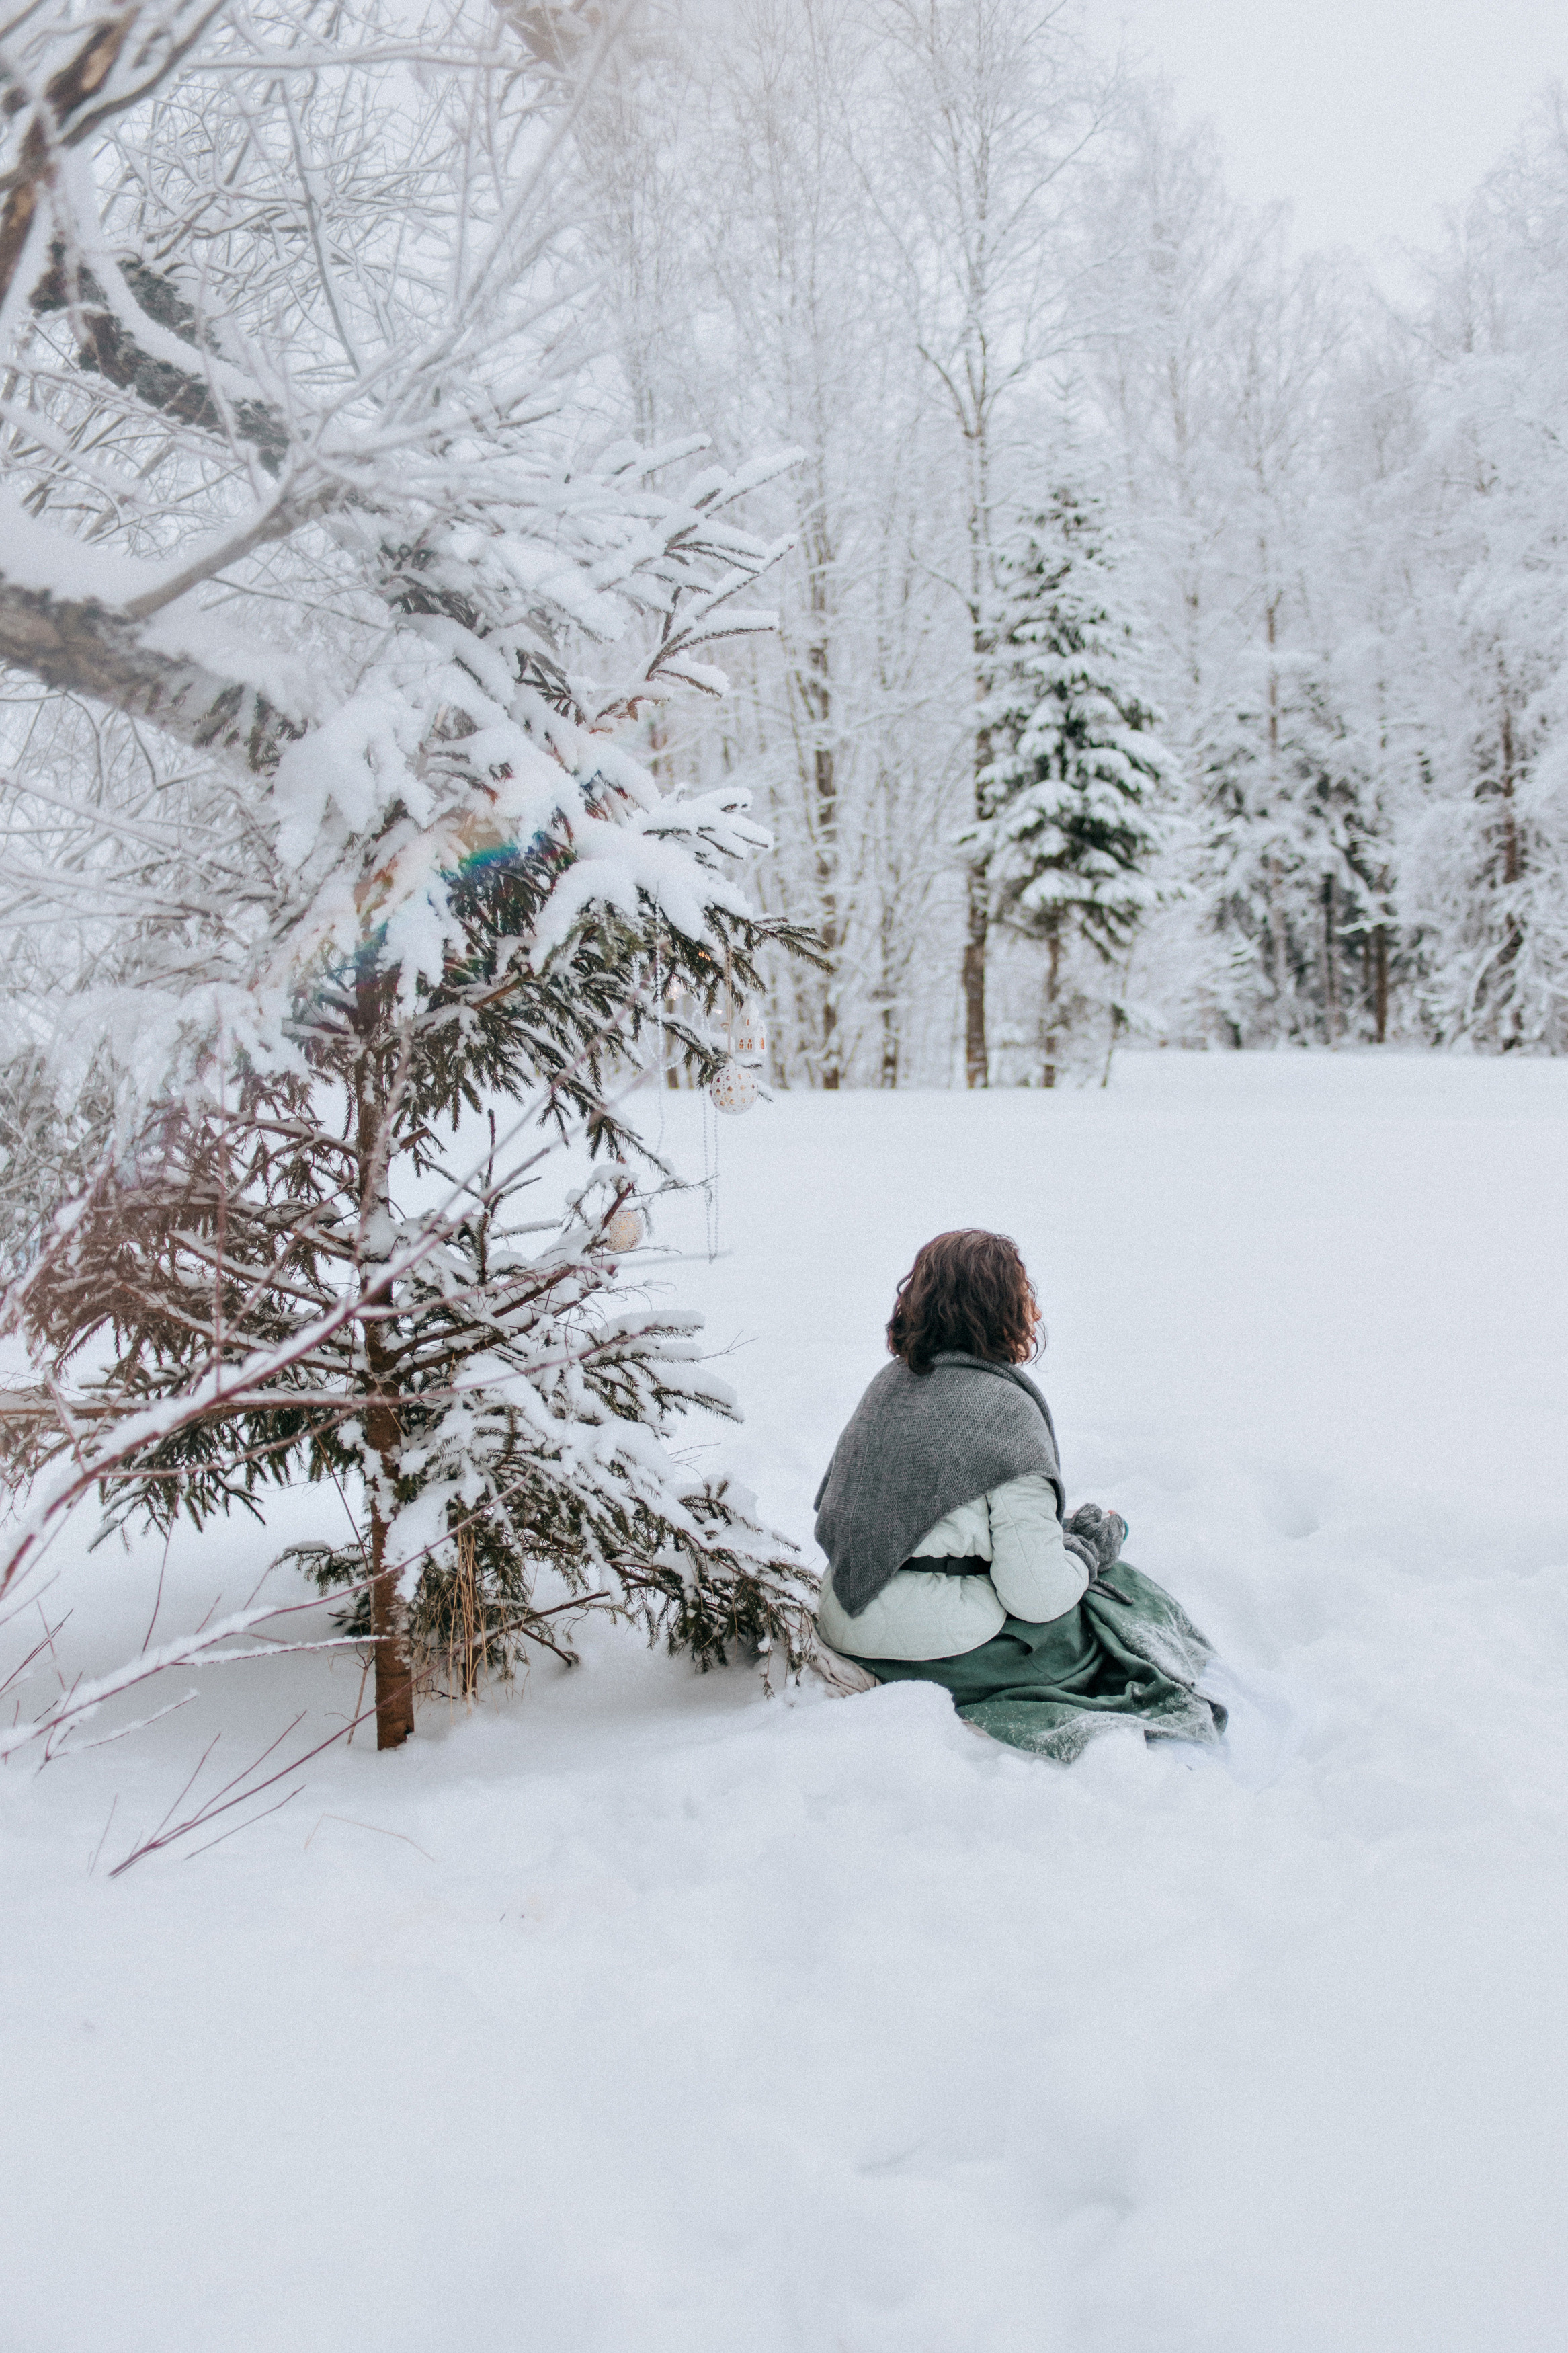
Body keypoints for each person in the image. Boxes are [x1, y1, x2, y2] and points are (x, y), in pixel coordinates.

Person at [813, 1229, 1226, 1761]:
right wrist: (1086, 1550)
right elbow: (1034, 1595)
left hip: (845, 1620)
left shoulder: (888, 1386)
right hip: (930, 1651)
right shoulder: (1002, 1415)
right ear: (1008, 1309)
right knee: (1105, 1599)